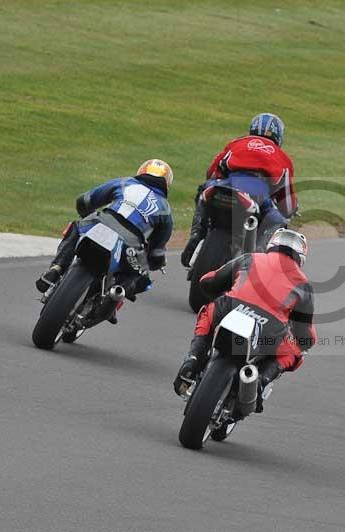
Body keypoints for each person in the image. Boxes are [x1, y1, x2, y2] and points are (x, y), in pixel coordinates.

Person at [174, 229, 316, 411]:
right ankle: (262, 380)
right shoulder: (304, 285)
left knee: (208, 312)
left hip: (231, 307)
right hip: (269, 327)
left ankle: (193, 359)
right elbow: (305, 333)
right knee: (293, 351)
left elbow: (210, 280)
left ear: (272, 244)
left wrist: (216, 291)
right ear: (301, 256)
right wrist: (306, 342)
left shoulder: (251, 258)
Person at [36, 159, 175, 316]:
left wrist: (86, 216)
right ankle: (114, 299)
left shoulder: (124, 183)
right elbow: (157, 252)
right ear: (166, 183)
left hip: (100, 223)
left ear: (141, 171)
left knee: (76, 227)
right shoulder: (165, 209)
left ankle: (57, 268)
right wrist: (154, 262)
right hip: (130, 245)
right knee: (142, 278)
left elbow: (85, 200)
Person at [180, 113, 297, 268]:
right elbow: (287, 204)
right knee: (278, 220)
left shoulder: (236, 143)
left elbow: (212, 172)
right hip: (257, 195)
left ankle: (196, 236)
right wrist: (289, 211)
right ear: (279, 136)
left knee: (203, 192)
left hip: (228, 185)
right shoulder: (282, 157)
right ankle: (256, 263)